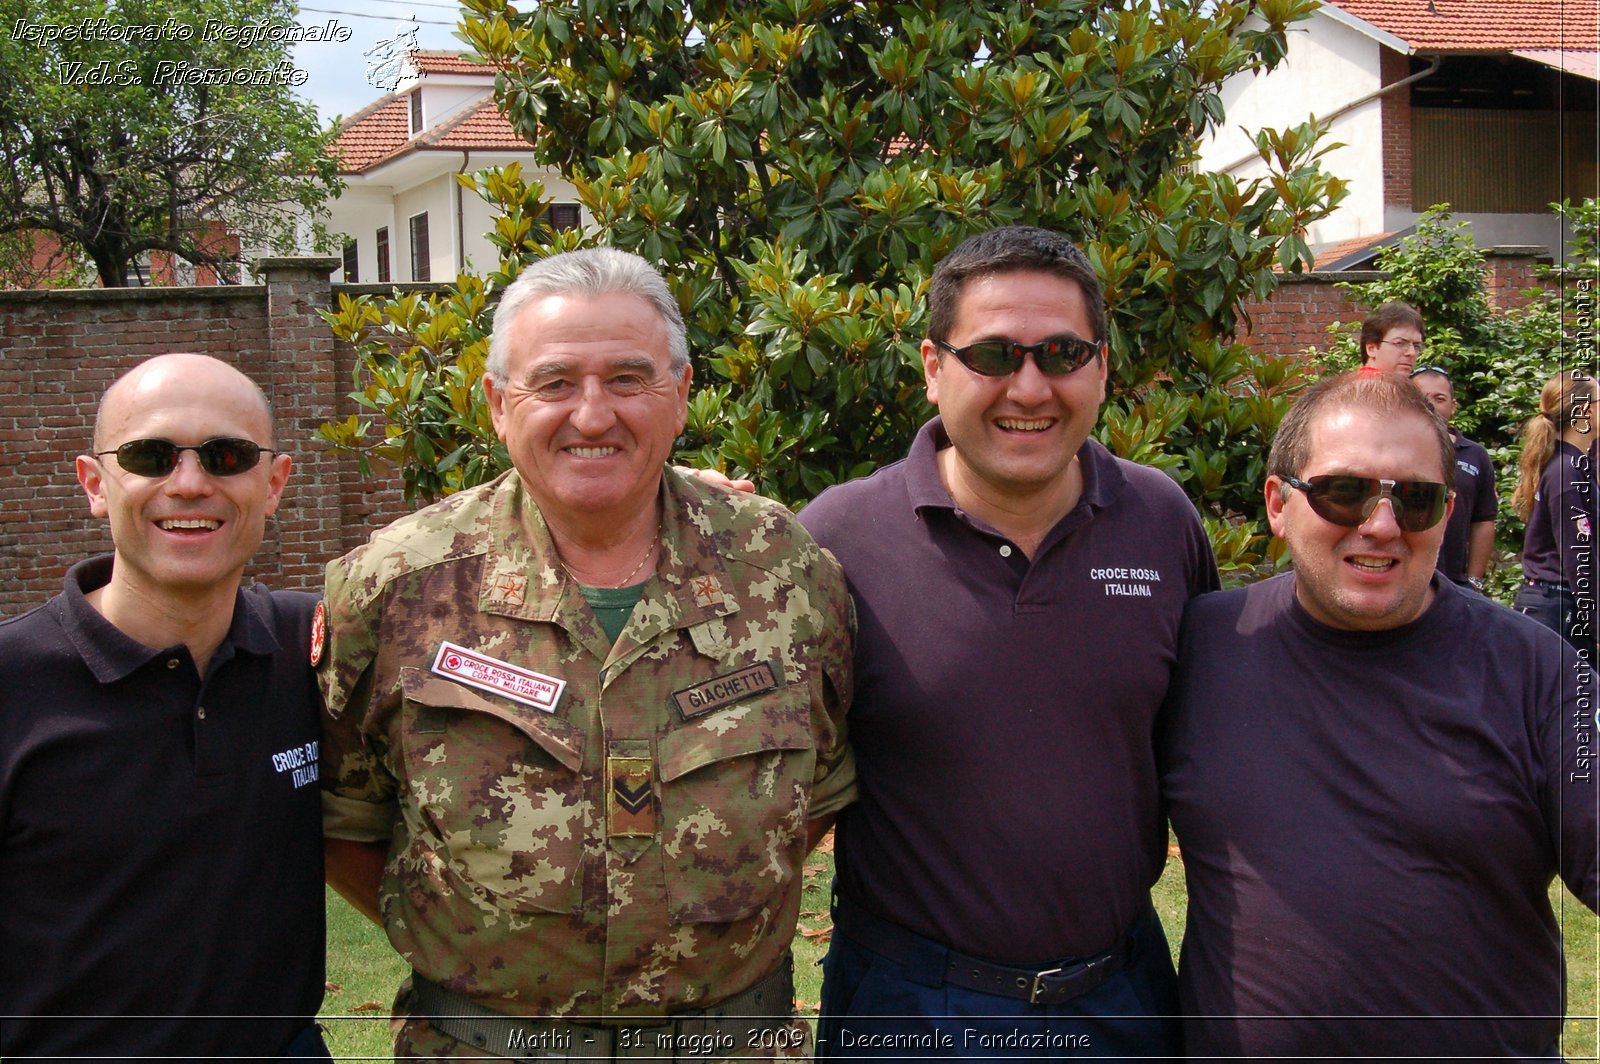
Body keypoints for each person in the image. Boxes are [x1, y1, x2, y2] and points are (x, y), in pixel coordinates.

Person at [317, 247, 855, 1059]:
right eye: (557, 382)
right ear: (499, 403)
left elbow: (818, 788)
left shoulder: (784, 572)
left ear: (679, 397)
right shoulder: (396, 588)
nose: (594, 415)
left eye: (629, 380)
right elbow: (344, 820)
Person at [797, 225, 1218, 1058]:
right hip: (908, 1006)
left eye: (1062, 354)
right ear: (932, 368)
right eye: (992, 356)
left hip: (1120, 996)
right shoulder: (839, 538)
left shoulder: (1160, 520)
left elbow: (1204, 745)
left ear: (1102, 367)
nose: (1030, 387)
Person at [1162, 372, 1598, 1059]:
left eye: (1416, 500)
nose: (1382, 525)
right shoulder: (1203, 648)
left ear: (1448, 514)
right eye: (1345, 492)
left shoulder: (1538, 674)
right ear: (1279, 503)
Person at [0, 354, 330, 1058]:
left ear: (273, 485)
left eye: (227, 456)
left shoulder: (316, 650)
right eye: (150, 456)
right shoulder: (11, 682)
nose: (189, 484)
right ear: (96, 484)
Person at [1513, 369, 1598, 658]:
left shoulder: (1577, 465)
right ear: (1585, 411)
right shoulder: (1566, 472)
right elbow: (1578, 556)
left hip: (1565, 607)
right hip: (1556, 610)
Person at [1410, 366, 1496, 590]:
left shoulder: (1476, 455)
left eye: (1440, 398)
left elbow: (1483, 520)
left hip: (1453, 582)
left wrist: (1474, 580)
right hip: (1405, 576)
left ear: (1453, 406)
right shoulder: (1394, 450)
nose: (1431, 405)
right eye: (1421, 397)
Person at [1358, 300, 1425, 375]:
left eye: (1416, 346)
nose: (1412, 353)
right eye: (1400, 343)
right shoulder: (1366, 385)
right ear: (1371, 349)